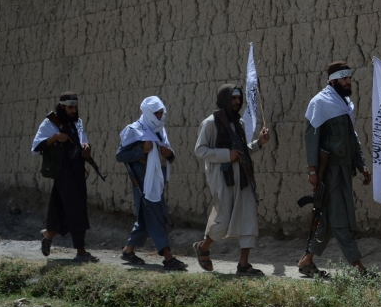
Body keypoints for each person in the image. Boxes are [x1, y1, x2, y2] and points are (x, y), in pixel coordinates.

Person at [299, 61, 372, 277]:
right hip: (329, 172)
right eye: (344, 78)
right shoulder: (320, 103)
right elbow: (311, 139)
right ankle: (358, 268)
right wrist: (312, 172)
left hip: (345, 169)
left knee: (328, 220)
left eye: (349, 78)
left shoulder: (345, 103)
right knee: (340, 219)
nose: (348, 82)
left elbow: (352, 138)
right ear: (333, 80)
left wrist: (361, 165)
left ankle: (306, 261)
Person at [193, 84, 270, 276]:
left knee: (248, 217)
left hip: (243, 176)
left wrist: (258, 143)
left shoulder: (239, 123)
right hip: (222, 177)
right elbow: (200, 150)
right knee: (223, 220)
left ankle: (243, 265)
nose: (237, 102)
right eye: (233, 98)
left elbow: (242, 152)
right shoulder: (210, 123)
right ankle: (203, 247)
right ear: (225, 99)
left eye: (238, 98)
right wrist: (226, 154)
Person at [115, 96, 187, 271]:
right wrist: (141, 150)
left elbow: (170, 157)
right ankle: (168, 257)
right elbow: (120, 156)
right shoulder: (135, 130)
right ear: (148, 113)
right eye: (157, 113)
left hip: (157, 182)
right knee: (155, 217)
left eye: (162, 113)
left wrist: (169, 153)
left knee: (150, 217)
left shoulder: (160, 130)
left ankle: (128, 250)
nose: (160, 117)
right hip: (143, 184)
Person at [30, 92, 98, 262]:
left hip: (76, 169)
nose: (73, 110)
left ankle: (48, 234)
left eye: (75, 107)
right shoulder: (50, 123)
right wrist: (57, 137)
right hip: (62, 171)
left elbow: (83, 140)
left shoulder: (77, 123)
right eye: (70, 107)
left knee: (61, 208)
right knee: (75, 208)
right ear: (62, 107)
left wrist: (86, 146)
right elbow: (36, 146)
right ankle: (81, 252)